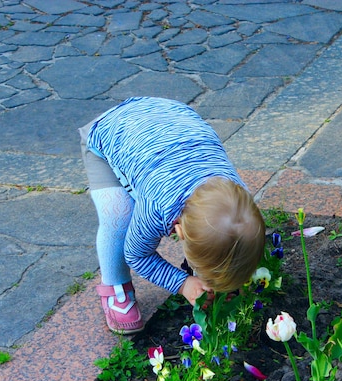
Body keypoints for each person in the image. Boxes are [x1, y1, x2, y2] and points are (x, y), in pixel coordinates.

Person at [79, 97, 265, 334]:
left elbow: (234, 236)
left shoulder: (240, 198)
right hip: (109, 135)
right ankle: (116, 286)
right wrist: (183, 283)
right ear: (179, 230)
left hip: (171, 118)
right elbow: (137, 255)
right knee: (118, 215)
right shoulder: (157, 207)